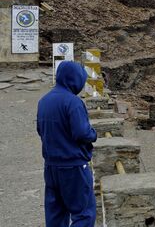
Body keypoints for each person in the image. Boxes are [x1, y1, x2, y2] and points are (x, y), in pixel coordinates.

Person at [37, 61, 97, 227]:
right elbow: (82, 133)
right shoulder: (73, 102)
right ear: (75, 79)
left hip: (51, 167)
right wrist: (94, 134)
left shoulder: (44, 100)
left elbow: (40, 130)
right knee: (83, 214)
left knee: (55, 215)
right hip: (74, 167)